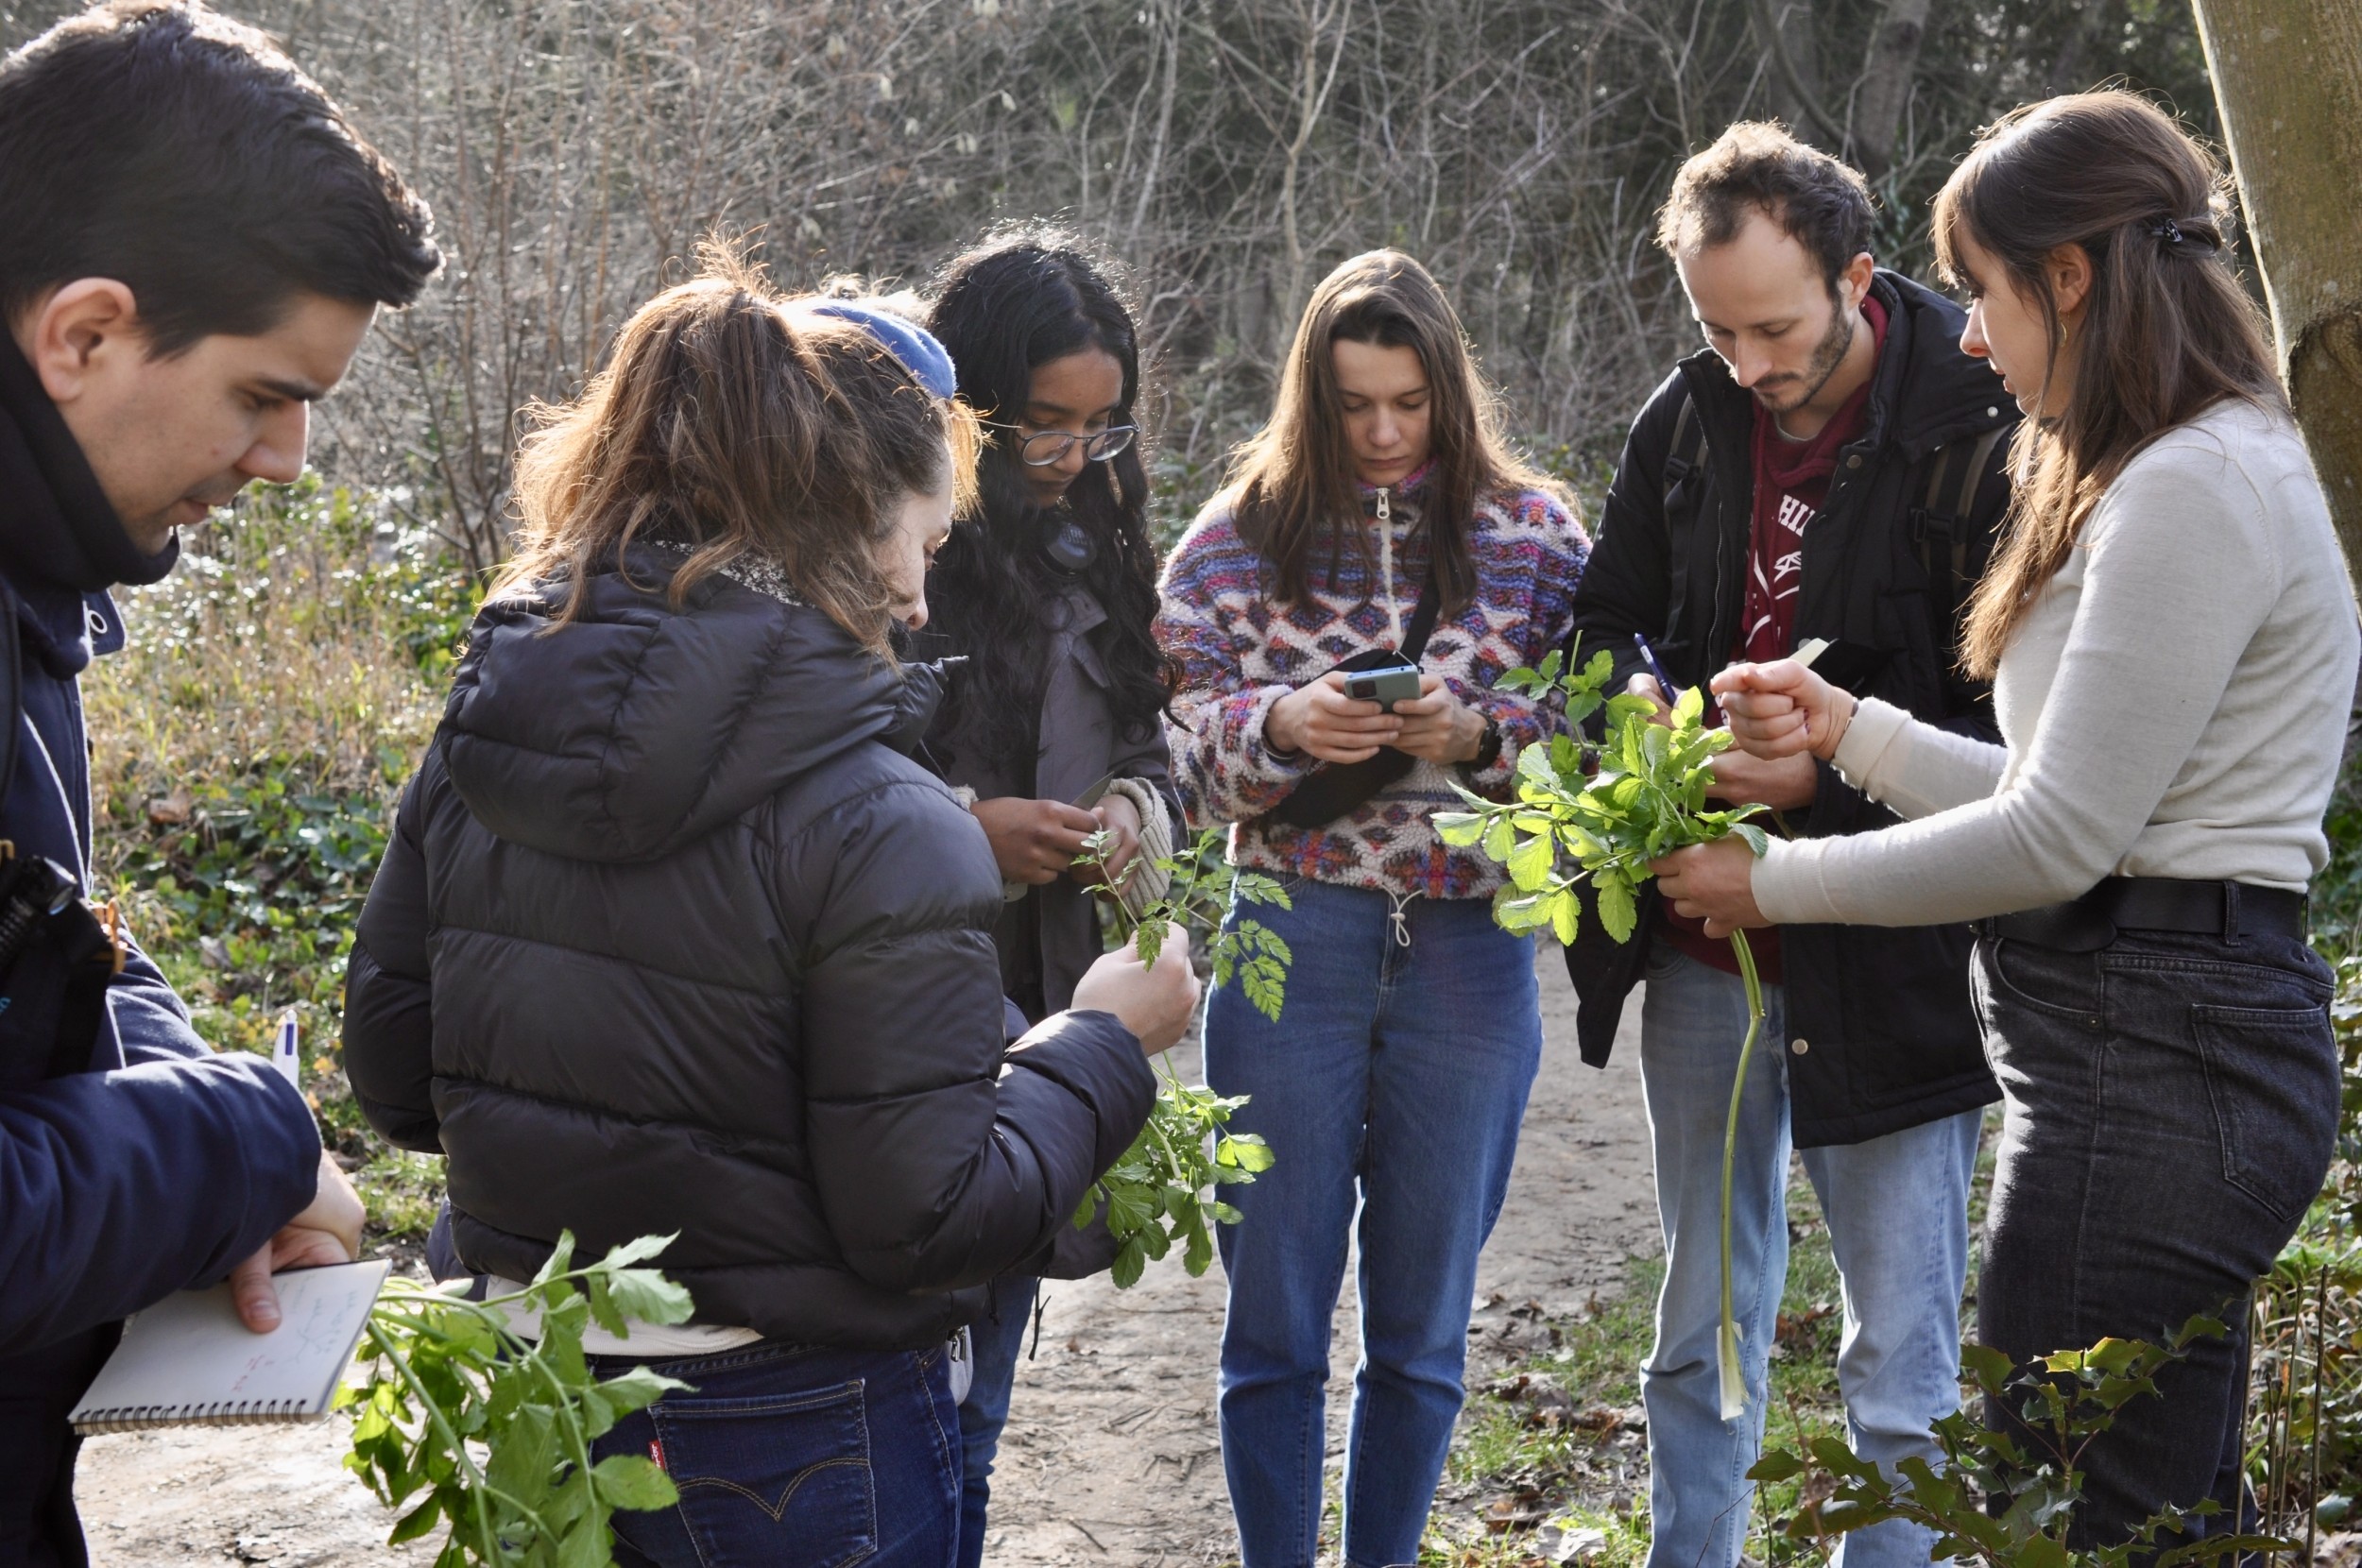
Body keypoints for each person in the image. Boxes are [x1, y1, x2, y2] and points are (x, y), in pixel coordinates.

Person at [340, 252, 1197, 1566]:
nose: (921, 602)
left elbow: (400, 1082)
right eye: (922, 545)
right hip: (792, 1426)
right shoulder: (889, 826)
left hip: (545, 1403)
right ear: (852, 527)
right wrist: (1099, 1041)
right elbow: (927, 1215)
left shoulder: (481, 749)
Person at [1659, 92, 2354, 1546]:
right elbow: (2075, 799)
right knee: (2133, 1514)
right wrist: (1855, 727)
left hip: (2163, 1059)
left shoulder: (2191, 486)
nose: (1970, 334)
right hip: (2143, 1048)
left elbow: (2057, 845)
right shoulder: (2180, 469)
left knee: (2067, 1515)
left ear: (2073, 277)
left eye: (1981, 289)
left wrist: (1774, 886)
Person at [0, 5, 439, 1561]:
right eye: (265, 393)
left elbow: (34, 952)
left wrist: (193, 1107)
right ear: (85, 334)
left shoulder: (34, 575)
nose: (290, 458)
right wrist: (240, 1143)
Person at [1560, 122, 2013, 1568]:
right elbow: (1600, 619)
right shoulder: (1689, 413)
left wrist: (1827, 746)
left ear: (1860, 279)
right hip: (1704, 930)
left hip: (1900, 941)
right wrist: (1642, 708)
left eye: (1776, 328)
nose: (1748, 362)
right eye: (1716, 326)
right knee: (1699, 1333)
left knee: (1903, 1368)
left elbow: (2023, 723)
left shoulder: (1981, 413)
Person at [1155, 249, 1587, 1568]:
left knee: (1422, 1329)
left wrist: (1484, 734)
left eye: (1410, 402)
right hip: (1293, 929)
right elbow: (1165, 747)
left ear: (1449, 393)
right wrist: (1279, 722)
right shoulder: (1234, 538)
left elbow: (1609, 735)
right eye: (1355, 406)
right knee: (1273, 1324)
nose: (1387, 433)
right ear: (1313, 399)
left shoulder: (1537, 536)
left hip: (1471, 942)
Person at [916, 230, 1183, 1568]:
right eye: (1044, 429)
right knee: (924, 1411)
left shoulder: (1101, 545)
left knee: (985, 1396)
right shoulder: (896, 555)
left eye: (1101, 425)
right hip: (905, 1022)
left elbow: (1153, 741)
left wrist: (1141, 814)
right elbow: (812, 788)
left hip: (1044, 1018)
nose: (1076, 456)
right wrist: (972, 833)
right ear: (970, 411)